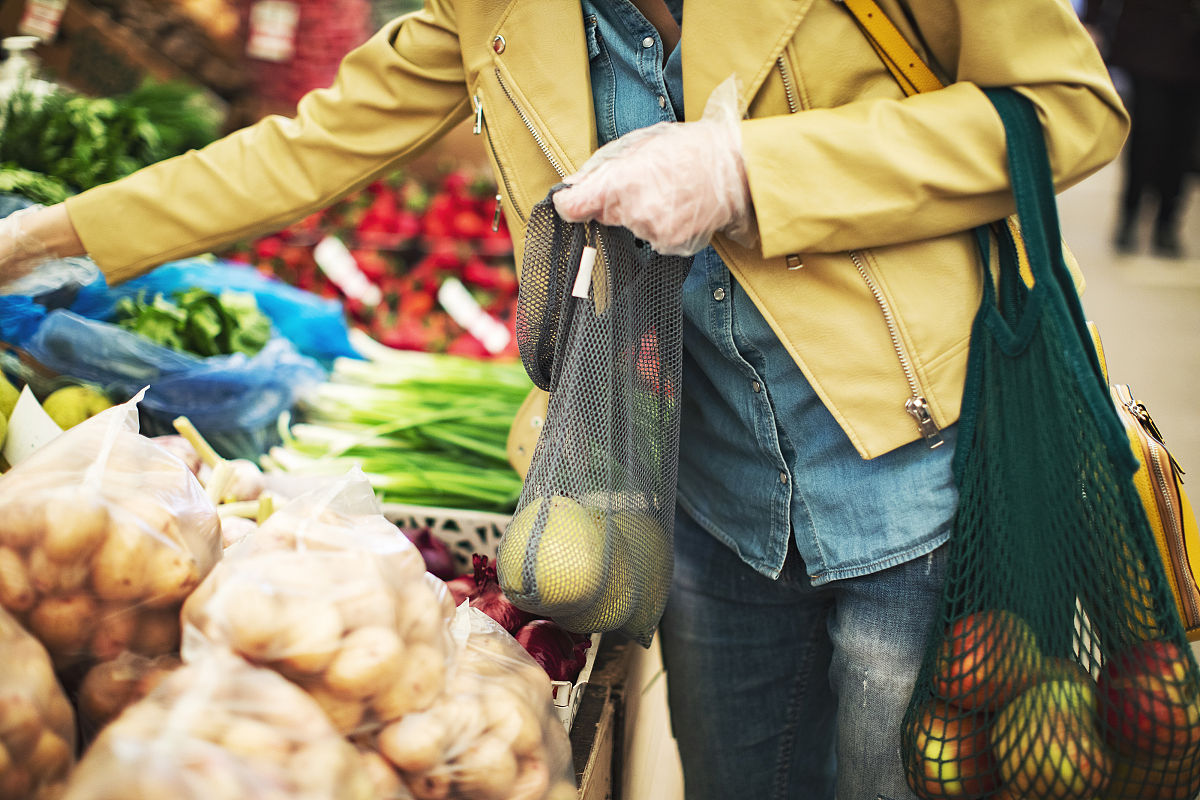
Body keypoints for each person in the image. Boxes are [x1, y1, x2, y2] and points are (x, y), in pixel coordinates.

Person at [0, 1, 1126, 797]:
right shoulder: (490, 6)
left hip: (914, 467)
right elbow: (304, 151)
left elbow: (1070, 108)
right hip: (693, 489)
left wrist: (750, 172)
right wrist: (49, 238)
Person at [1084, 0, 1200, 258]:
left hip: (1191, 53)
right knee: (1146, 138)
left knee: (1182, 144)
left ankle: (1167, 223)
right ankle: (1130, 216)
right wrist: (1092, 21)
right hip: (1150, 43)